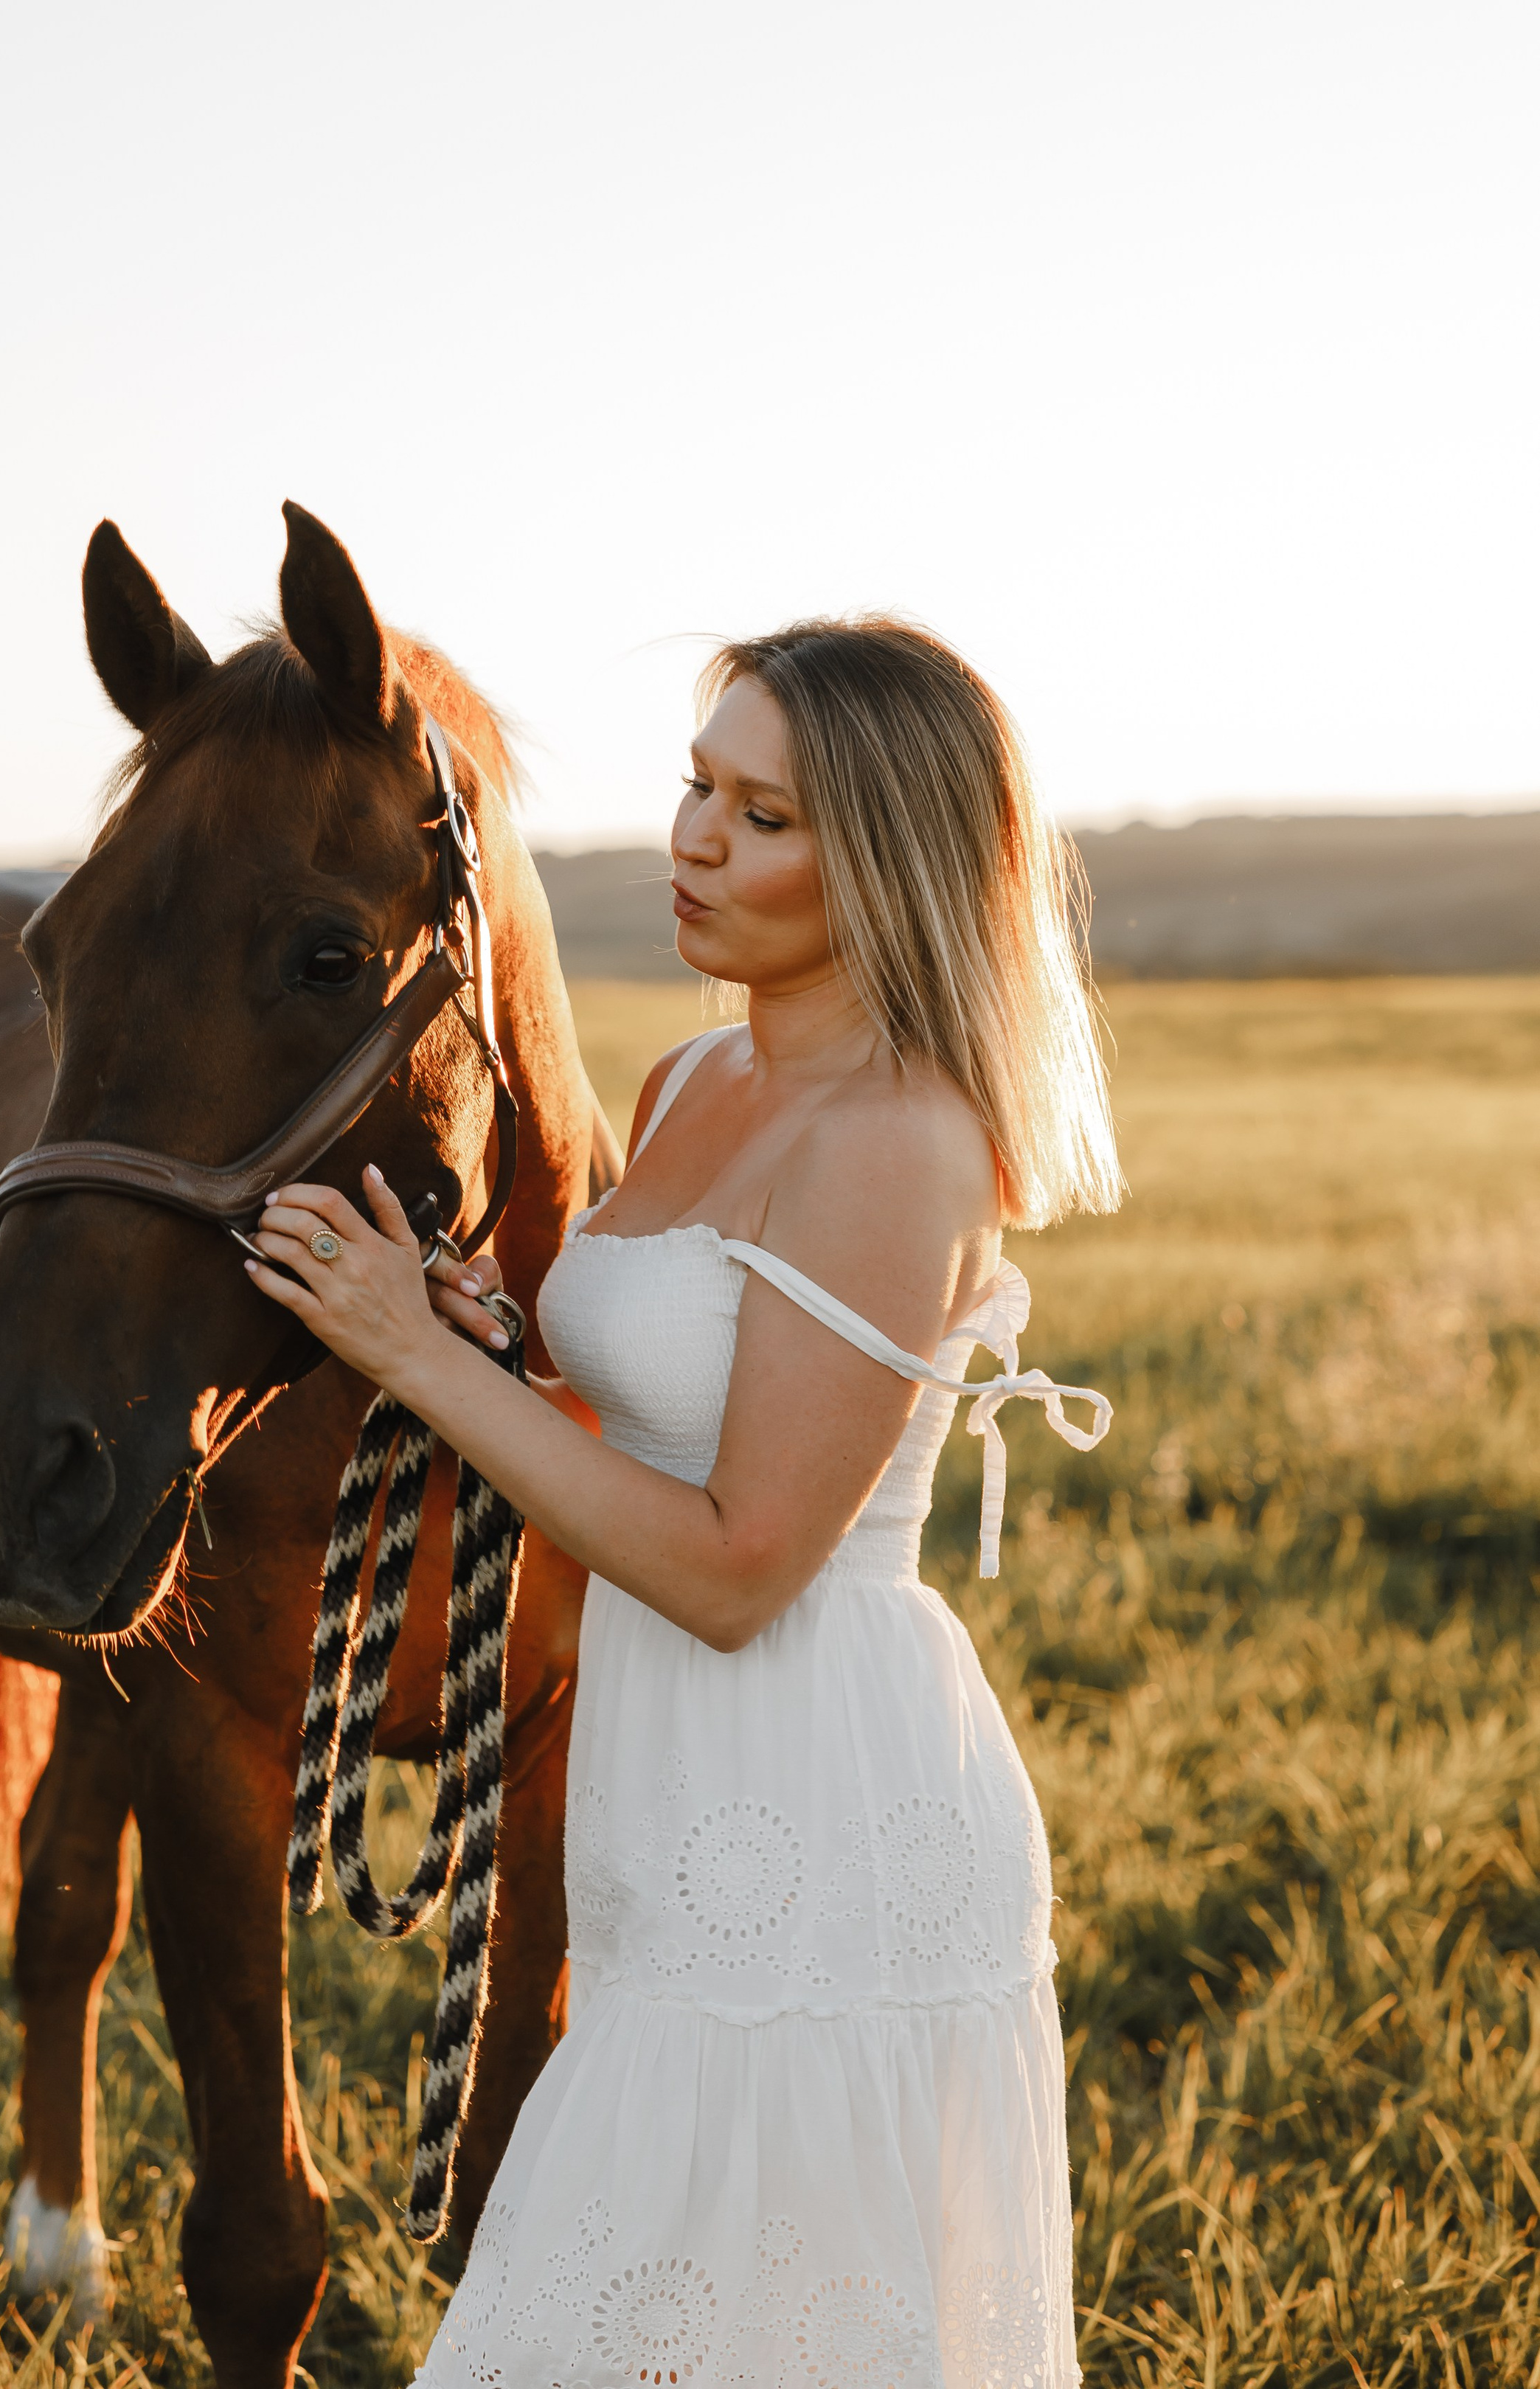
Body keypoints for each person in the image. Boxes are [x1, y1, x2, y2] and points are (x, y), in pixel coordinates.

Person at [246, 615, 1123, 2389]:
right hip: (666, 1811)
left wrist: (425, 1367)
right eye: (693, 787)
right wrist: (484, 1334)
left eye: (764, 816)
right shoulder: (700, 1076)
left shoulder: (897, 1139)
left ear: (889, 857)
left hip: (810, 1802)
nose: (693, 841)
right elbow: (657, 1416)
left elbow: (736, 1568)